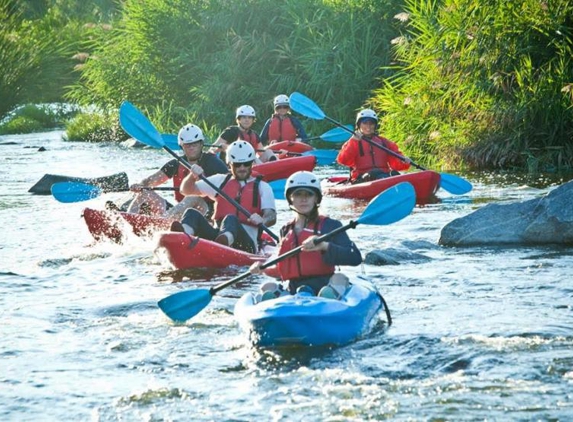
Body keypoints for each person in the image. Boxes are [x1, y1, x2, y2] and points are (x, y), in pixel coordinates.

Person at [250, 171, 362, 299]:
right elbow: (282, 268)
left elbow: (355, 257)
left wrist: (324, 246)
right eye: (298, 194)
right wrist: (263, 268)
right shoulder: (286, 230)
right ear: (290, 198)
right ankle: (274, 309)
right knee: (267, 286)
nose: (303, 199)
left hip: (324, 286)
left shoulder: (330, 226)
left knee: (340, 278)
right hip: (294, 290)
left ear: (316, 199)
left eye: (309, 194)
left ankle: (329, 298)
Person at [172, 140, 277, 254]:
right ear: (229, 164)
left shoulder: (263, 187)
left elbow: (271, 216)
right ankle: (182, 238)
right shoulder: (220, 180)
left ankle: (224, 243)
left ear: (252, 163)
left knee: (231, 218)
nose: (242, 168)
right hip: (218, 235)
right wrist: (192, 176)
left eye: (246, 164)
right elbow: (186, 190)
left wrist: (263, 220)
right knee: (191, 213)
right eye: (237, 164)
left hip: (247, 244)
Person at [126, 123, 228, 220]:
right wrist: (140, 185)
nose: (191, 148)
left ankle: (164, 222)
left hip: (205, 212)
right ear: (181, 146)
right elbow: (150, 181)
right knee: (145, 192)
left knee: (192, 197)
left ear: (201, 144)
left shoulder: (213, 162)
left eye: (195, 144)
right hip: (178, 211)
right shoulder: (175, 164)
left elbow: (230, 183)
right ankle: (127, 219)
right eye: (188, 145)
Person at [336, 109, 411, 183]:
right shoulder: (352, 142)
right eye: (365, 123)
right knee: (374, 172)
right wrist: (353, 142)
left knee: (394, 173)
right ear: (359, 125)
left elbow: (396, 166)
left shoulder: (384, 142)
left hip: (383, 176)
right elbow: (343, 160)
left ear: (375, 125)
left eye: (371, 123)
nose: (368, 126)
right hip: (361, 179)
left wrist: (404, 162)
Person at [210, 105, 276, 163]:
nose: (247, 120)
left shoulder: (254, 135)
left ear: (253, 120)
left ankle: (276, 169)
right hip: (233, 166)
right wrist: (225, 148)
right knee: (252, 158)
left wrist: (275, 151)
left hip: (251, 164)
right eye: (244, 117)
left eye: (249, 118)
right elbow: (212, 149)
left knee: (268, 152)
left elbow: (261, 152)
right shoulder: (230, 131)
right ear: (238, 119)